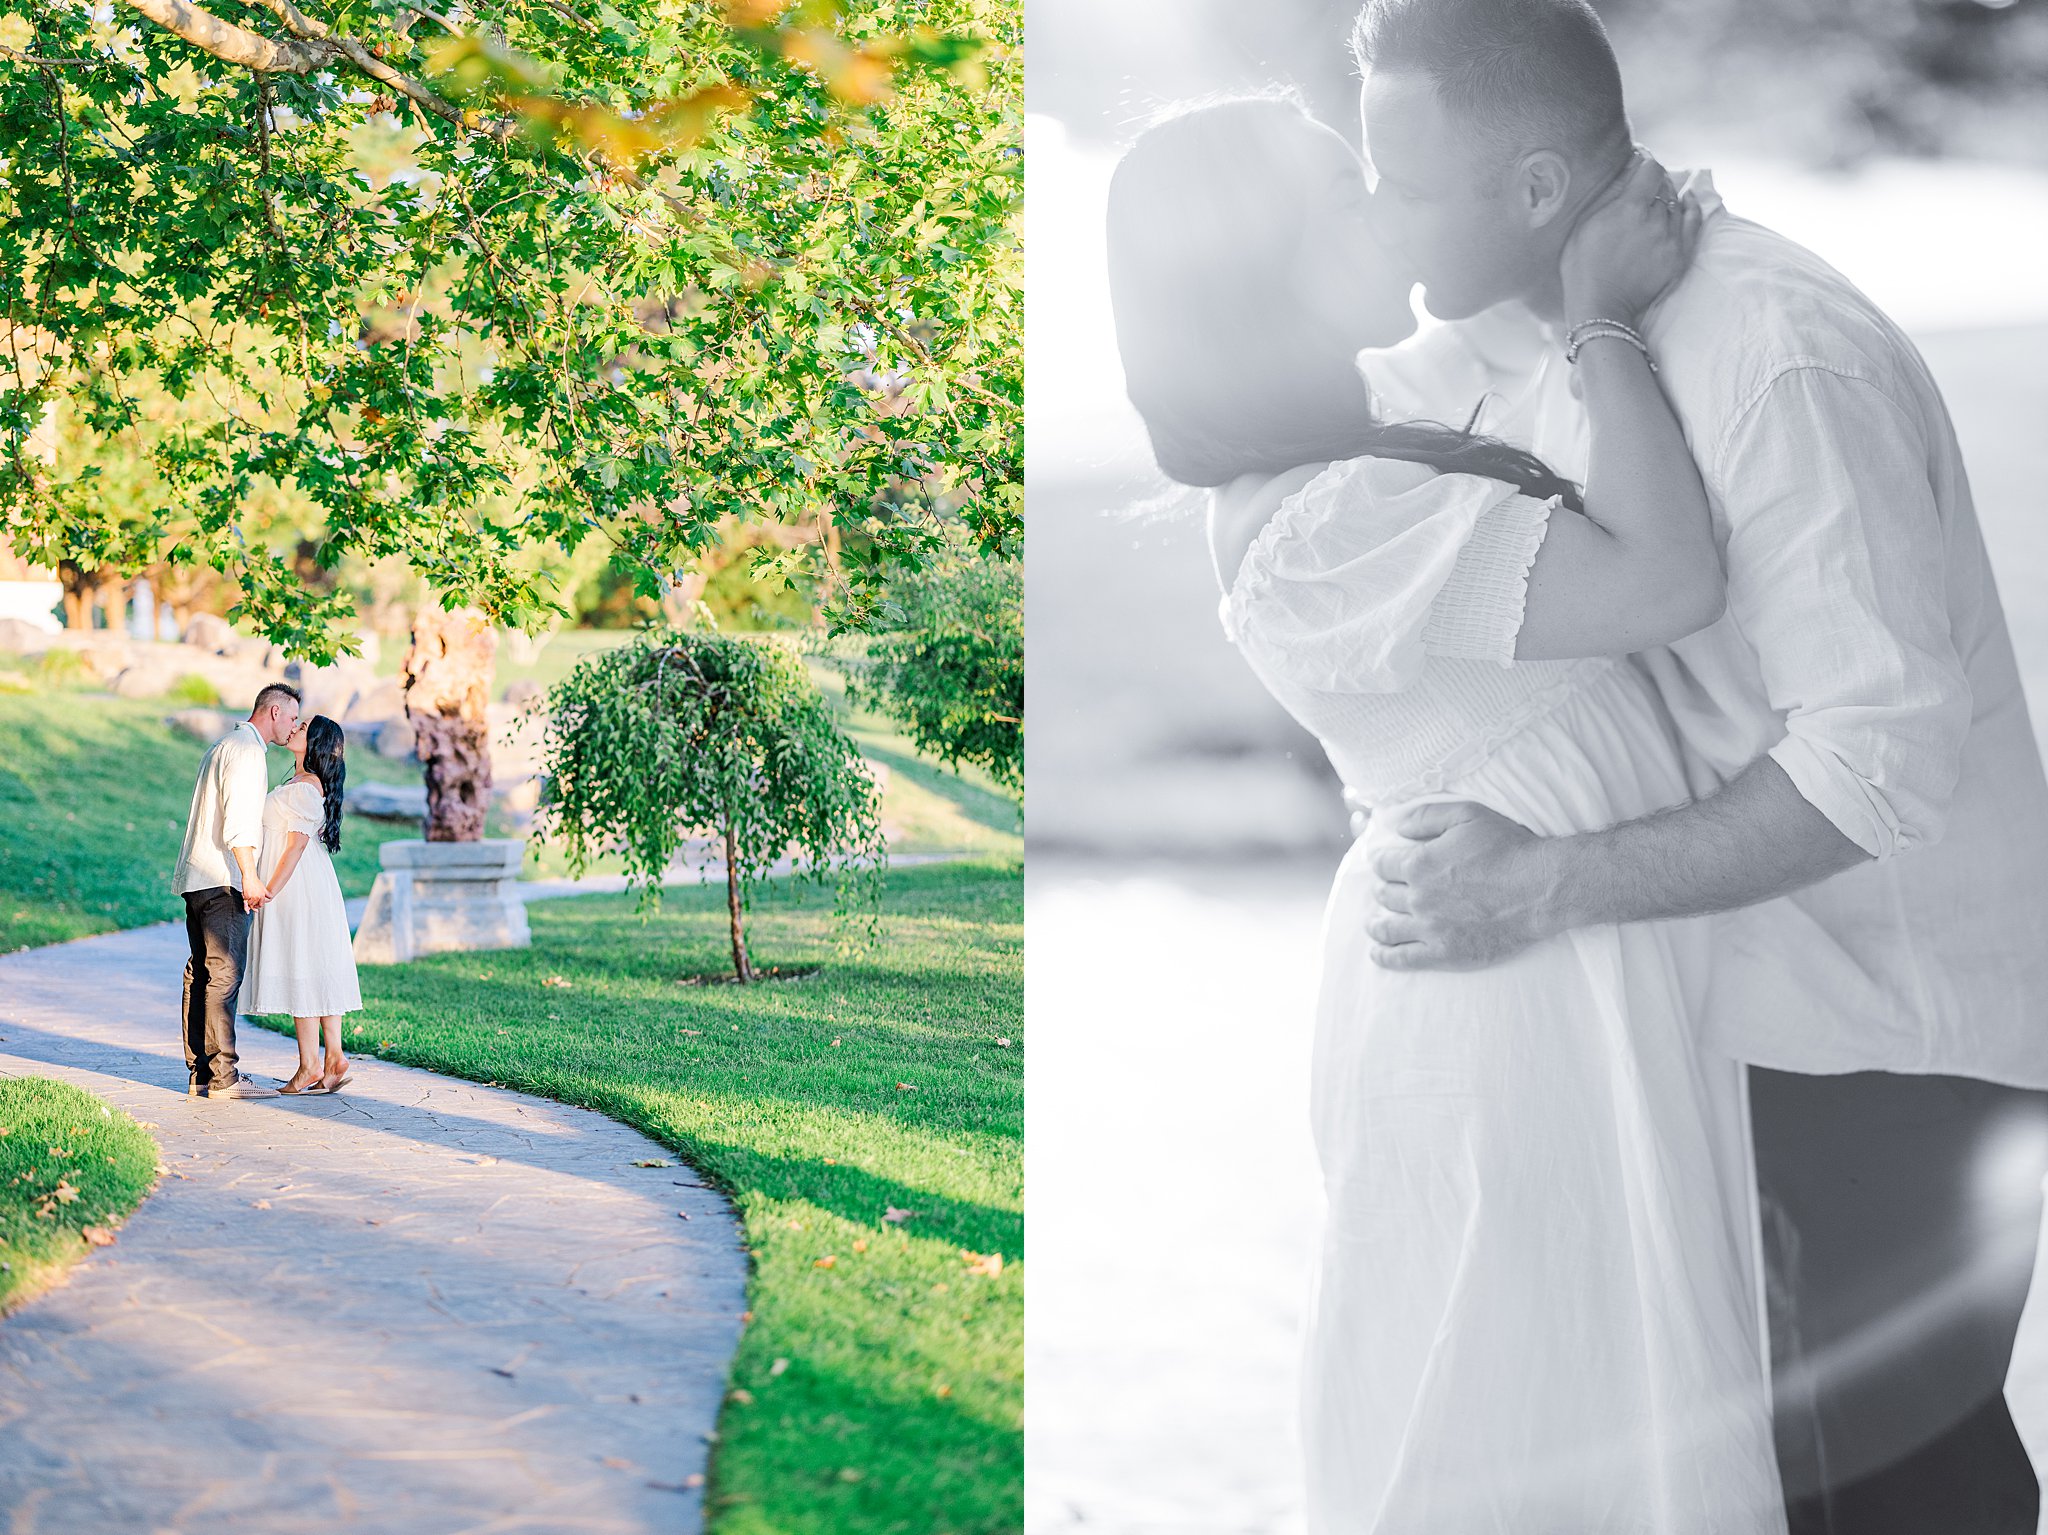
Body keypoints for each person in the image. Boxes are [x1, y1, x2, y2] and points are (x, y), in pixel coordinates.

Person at [1343, 0, 2048, 1528]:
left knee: (1884, 1485)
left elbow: (1880, 760)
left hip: (1878, 1030)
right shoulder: (1567, 317)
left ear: (1535, 190)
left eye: (1397, 180)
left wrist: (1547, 885)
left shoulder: (1770, 353)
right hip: (1753, 1005)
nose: (1370, 211)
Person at [1108, 97, 1786, 1531]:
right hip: (1513, 990)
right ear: (1259, 266)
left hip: (1560, 949)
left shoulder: (1366, 449)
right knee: (1531, 1392)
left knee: (1600, 1377)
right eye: (1347, 194)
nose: (1387, 210)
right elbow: (1669, 578)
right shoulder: (1321, 517)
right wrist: (1600, 321)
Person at [172, 682, 299, 1099]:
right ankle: (224, 1077)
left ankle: (202, 1074)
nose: (294, 726)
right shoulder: (247, 753)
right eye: (293, 717)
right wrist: (250, 876)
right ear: (274, 712)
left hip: (198, 877)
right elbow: (239, 823)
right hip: (223, 877)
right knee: (223, 976)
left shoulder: (224, 744)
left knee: (203, 973)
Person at [240, 713, 361, 1096]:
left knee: (303, 965)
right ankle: (331, 1059)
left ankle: (312, 1064)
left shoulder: (307, 788)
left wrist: (268, 889)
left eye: (303, 727)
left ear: (316, 744)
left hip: (295, 885)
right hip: (304, 883)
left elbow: (294, 848)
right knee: (312, 964)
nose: (295, 728)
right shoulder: (300, 783)